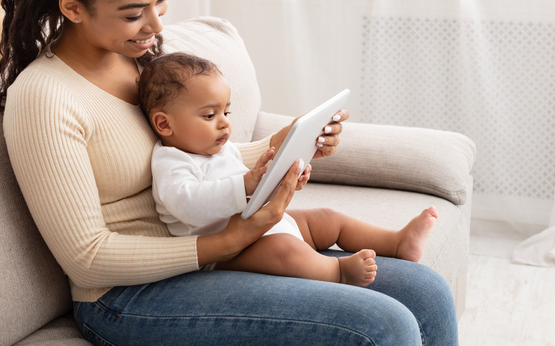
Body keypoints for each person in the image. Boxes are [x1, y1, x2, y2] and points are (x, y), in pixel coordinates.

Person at [0, 0, 459, 345]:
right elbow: (88, 260)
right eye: (133, 14)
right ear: (72, 7)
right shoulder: (44, 99)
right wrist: (231, 240)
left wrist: (290, 142)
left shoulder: (140, 62)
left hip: (210, 248)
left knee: (425, 292)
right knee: (382, 326)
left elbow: (204, 157)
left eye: (160, 1)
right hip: (125, 297)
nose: (156, 26)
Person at [139, 52, 439, 287]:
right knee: (284, 249)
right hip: (226, 254)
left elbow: (250, 190)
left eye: (226, 112)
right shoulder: (171, 162)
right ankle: (337, 272)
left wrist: (282, 178)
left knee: (328, 218)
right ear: (165, 124)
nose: (225, 123)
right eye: (209, 115)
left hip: (259, 226)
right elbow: (188, 205)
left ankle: (395, 242)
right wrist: (245, 185)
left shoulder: (221, 148)